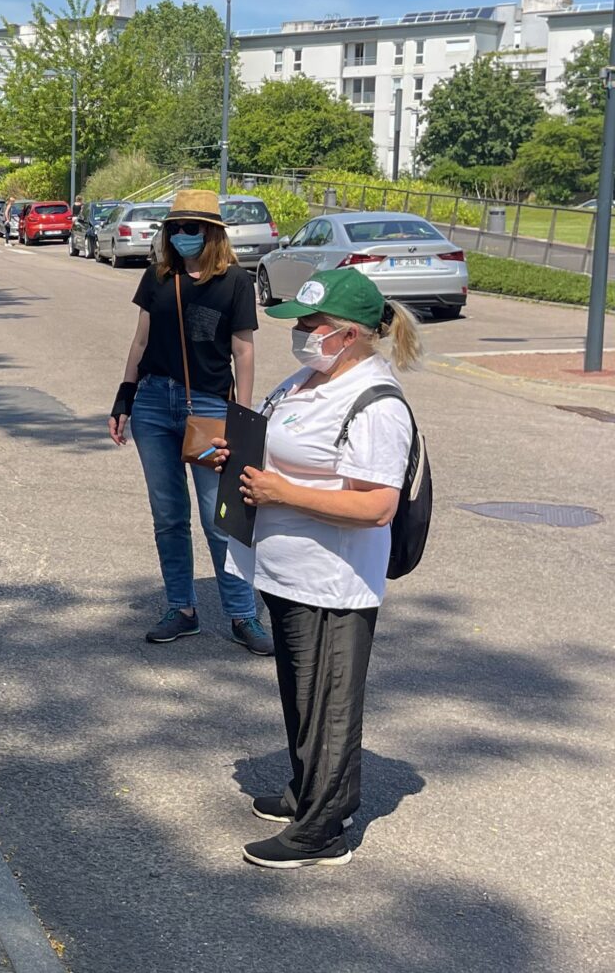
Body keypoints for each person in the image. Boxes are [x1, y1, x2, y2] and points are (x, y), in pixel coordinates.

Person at [214, 267, 422, 869]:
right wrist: (240, 457)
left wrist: (282, 492)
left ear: (350, 334)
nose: (301, 333)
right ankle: (310, 793)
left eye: (312, 324)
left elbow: (376, 506)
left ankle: (322, 832)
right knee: (302, 695)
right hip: (288, 570)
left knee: (328, 704)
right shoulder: (310, 379)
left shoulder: (376, 403)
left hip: (333, 580)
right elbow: (284, 446)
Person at [108, 188, 268, 653]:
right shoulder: (158, 276)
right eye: (174, 228)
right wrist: (124, 398)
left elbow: (243, 351)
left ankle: (242, 614)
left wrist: (241, 416)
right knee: (168, 515)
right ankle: (181, 608)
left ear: (211, 232)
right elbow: (140, 342)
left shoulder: (235, 281)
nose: (181, 235)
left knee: (221, 517)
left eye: (190, 228)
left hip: (209, 407)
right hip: (154, 404)